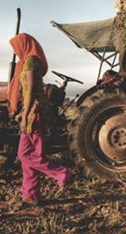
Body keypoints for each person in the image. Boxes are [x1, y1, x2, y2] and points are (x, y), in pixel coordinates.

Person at [8, 33, 75, 206]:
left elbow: (30, 90)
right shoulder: (28, 61)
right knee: (29, 155)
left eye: (16, 48)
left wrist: (25, 114)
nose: (16, 52)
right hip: (31, 109)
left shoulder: (30, 61)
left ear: (23, 44)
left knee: (25, 154)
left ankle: (62, 174)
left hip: (34, 111)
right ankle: (30, 195)